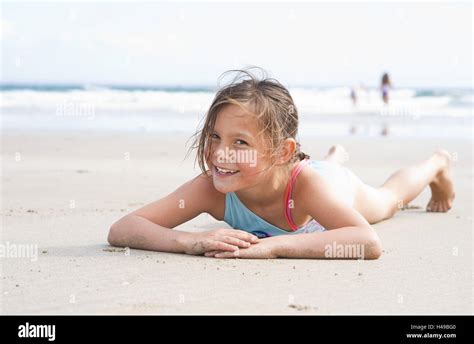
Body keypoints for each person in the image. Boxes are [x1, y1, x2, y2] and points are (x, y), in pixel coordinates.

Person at [108, 68, 455, 259]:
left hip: (328, 188)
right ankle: (333, 155)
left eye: (239, 142)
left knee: (386, 200)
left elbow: (367, 241)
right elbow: (124, 228)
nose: (219, 154)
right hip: (295, 171)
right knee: (324, 168)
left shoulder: (307, 187)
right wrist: (187, 242)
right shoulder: (210, 188)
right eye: (215, 137)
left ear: (282, 151)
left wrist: (273, 246)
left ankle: (436, 164)